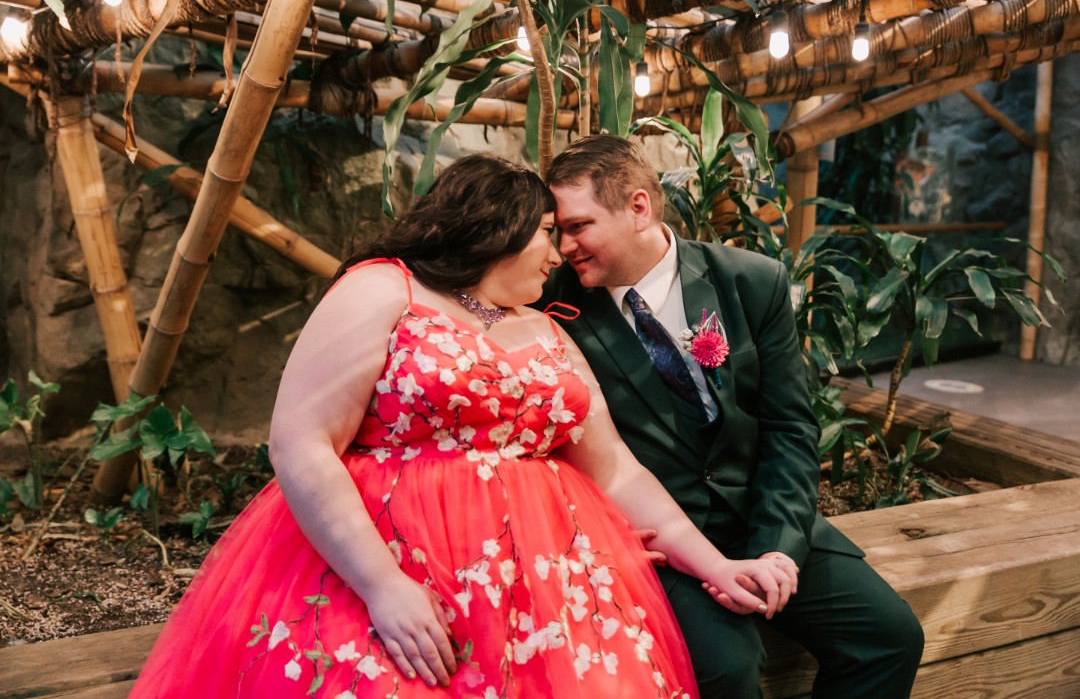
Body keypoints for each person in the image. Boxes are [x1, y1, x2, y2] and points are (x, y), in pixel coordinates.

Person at [128, 153, 797, 699]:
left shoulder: (547, 328)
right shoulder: (383, 289)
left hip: (546, 590)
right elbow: (301, 442)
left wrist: (716, 565)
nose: (559, 254)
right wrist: (383, 588)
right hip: (389, 569)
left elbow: (614, 466)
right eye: (545, 232)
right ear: (498, 227)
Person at [537, 135, 925, 699]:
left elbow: (791, 427)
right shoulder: (553, 306)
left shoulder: (751, 281)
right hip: (656, 543)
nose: (564, 246)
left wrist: (777, 550)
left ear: (638, 207)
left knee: (890, 635)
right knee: (727, 668)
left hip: (760, 514)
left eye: (578, 226)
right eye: (557, 230)